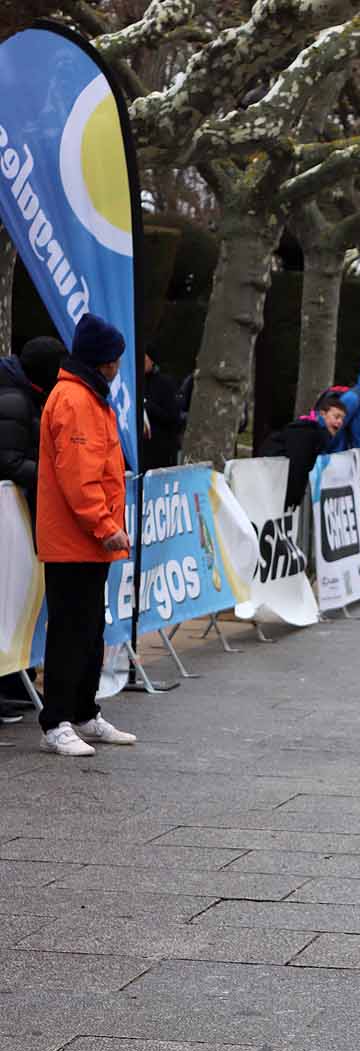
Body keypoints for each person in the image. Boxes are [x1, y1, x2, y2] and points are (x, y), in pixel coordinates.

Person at [35, 313, 135, 756]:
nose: (118, 366)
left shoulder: (89, 396)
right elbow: (78, 476)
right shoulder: (75, 400)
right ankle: (56, 719)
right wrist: (105, 524)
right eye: (115, 359)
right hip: (76, 537)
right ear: (103, 361)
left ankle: (83, 711)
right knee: (70, 630)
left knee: (90, 628)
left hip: (87, 539)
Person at [0, 335, 65, 711]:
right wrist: (55, 477)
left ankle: (15, 680)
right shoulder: (14, 399)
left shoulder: (24, 394)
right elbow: (8, 461)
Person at [260, 394, 346, 509]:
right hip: (270, 483)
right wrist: (295, 497)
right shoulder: (308, 433)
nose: (340, 422)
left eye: (342, 419)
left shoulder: (318, 434)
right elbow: (297, 465)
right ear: (323, 414)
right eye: (336, 416)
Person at [141, 349, 183, 471]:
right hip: (142, 450)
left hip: (162, 449)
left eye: (144, 359)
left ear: (152, 361)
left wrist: (147, 405)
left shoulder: (165, 383)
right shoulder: (137, 383)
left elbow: (173, 417)